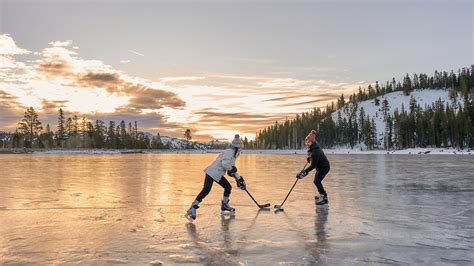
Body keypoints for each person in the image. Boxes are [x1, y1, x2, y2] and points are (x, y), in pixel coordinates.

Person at [186, 134, 246, 222]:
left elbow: (231, 166)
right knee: (206, 190)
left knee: (228, 187)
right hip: (212, 172)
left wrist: (239, 178)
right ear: (236, 147)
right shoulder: (230, 152)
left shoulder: (233, 154)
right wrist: (232, 170)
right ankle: (192, 208)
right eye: (240, 148)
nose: (241, 149)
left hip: (217, 174)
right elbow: (225, 164)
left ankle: (224, 205)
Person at [296, 130, 331, 206]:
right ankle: (322, 195)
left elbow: (313, 166)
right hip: (320, 167)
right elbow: (312, 157)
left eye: (308, 142)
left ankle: (324, 197)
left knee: (317, 181)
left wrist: (304, 172)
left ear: (312, 142)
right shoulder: (312, 148)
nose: (307, 143)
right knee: (316, 181)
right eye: (306, 142)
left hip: (324, 167)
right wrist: (310, 158)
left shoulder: (316, 151)